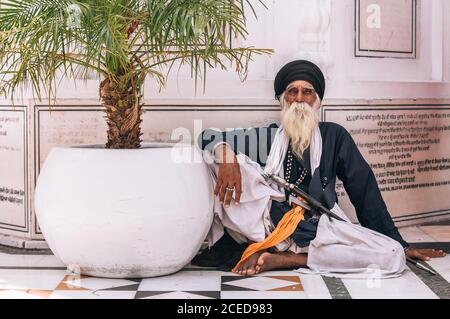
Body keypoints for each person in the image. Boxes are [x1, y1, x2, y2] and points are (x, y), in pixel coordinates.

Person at [195, 60, 446, 276]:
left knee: (388, 254)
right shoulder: (268, 138)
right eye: (292, 92)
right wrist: (226, 156)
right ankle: (268, 247)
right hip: (268, 225)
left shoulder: (334, 136)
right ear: (282, 99)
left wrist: (400, 244)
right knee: (229, 163)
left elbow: (364, 190)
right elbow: (206, 136)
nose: (300, 99)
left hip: (316, 228)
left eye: (308, 92)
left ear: (318, 100)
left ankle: (287, 261)